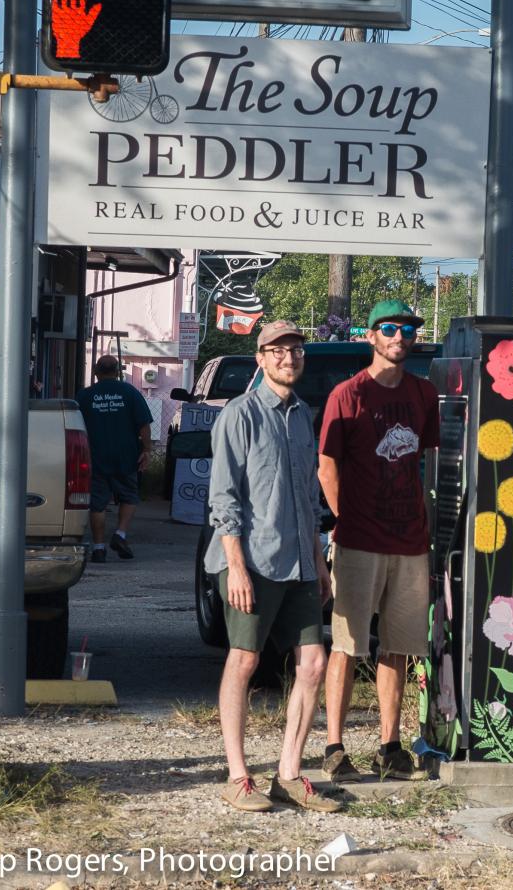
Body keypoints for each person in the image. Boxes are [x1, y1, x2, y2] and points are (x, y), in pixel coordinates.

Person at [205, 321, 338, 813]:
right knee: (245, 660)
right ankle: (238, 776)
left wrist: (320, 561)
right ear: (260, 358)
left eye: (296, 349)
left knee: (314, 662)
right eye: (277, 350)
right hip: (251, 561)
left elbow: (308, 495)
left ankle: (288, 773)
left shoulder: (305, 416)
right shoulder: (239, 415)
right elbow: (224, 498)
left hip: (300, 561)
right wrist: (235, 567)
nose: (289, 357)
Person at [318, 300, 440, 782]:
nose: (400, 336)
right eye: (389, 328)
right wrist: (346, 517)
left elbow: (426, 461)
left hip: (410, 541)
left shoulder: (423, 394)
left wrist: (428, 521)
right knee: (347, 646)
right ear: (370, 337)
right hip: (359, 541)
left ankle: (390, 746)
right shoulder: (347, 396)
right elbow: (326, 465)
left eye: (408, 328)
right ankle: (334, 745)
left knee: (399, 648)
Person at [75, 356, 153, 563]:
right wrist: (146, 450)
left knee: (98, 504)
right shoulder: (130, 393)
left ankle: (99, 548)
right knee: (129, 496)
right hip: (126, 456)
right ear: (117, 371)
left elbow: (74, 425)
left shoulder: (84, 396)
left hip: (94, 457)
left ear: (95, 371)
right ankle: (120, 534)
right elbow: (144, 425)